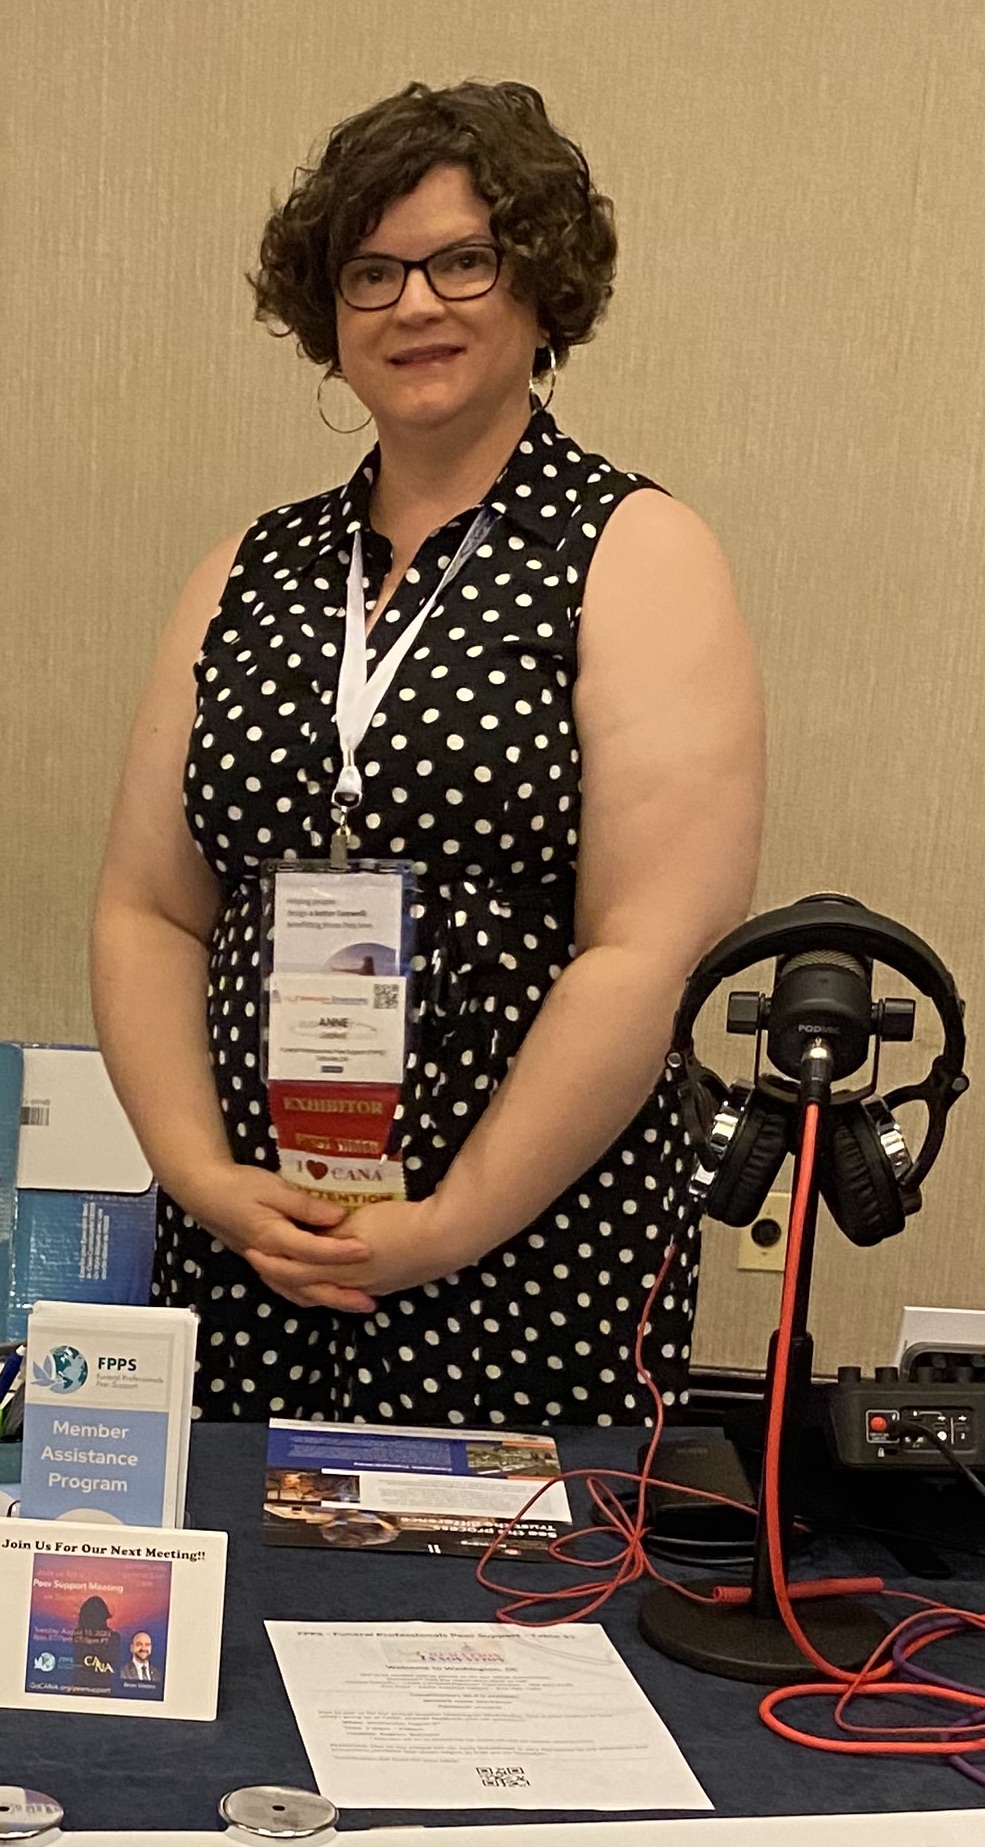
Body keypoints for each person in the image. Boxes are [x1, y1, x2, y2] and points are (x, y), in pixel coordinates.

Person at [91, 83, 763, 1430]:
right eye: (372, 271)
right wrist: (202, 1177)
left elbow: (645, 944)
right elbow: (150, 908)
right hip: (255, 1242)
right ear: (325, 313)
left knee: (497, 1626)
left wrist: (448, 1222)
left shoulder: (633, 552)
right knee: (248, 1616)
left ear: (540, 287)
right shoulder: (251, 568)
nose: (415, 304)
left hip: (529, 1251)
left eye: (463, 260)